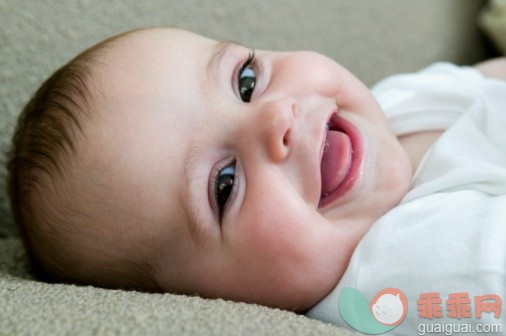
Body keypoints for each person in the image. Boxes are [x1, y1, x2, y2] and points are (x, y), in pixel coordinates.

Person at [6, 27, 506, 327]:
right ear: (199, 302)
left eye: (246, 81)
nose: (275, 120)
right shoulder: (406, 279)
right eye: (224, 186)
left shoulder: (393, 102)